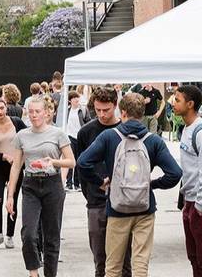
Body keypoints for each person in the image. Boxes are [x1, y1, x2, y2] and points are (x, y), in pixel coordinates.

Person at [77, 93, 182, 277]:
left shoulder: (109, 137)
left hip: (117, 209)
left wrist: (100, 182)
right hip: (145, 208)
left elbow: (83, 162)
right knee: (140, 265)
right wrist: (152, 184)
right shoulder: (154, 140)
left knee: (113, 266)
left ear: (122, 112)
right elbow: (175, 173)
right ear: (142, 113)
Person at [6, 96, 75, 277]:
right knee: (28, 234)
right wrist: (10, 195)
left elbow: (71, 161)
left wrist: (53, 161)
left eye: (38, 111)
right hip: (30, 184)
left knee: (51, 236)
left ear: (46, 112)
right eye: (31, 111)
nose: (34, 115)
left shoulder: (57, 134)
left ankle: (50, 274)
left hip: (52, 183)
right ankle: (33, 272)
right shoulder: (22, 135)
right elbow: (15, 166)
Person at [76, 86, 131, 277]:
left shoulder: (124, 130)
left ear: (115, 106)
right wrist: (94, 188)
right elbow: (81, 167)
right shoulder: (86, 132)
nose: (101, 114)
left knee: (124, 260)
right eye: (97, 110)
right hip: (96, 201)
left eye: (106, 110)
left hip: (124, 201)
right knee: (100, 259)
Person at [0, 97, 27, 250]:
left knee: (12, 199)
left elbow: (27, 138)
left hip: (16, 167)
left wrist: (21, 157)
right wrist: (3, 156)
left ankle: (9, 235)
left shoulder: (16, 122)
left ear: (6, 107)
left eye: (2, 108)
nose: (0, 112)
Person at [172, 85, 202, 276]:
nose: (173, 103)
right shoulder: (185, 128)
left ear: (190, 104)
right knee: (193, 257)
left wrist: (199, 205)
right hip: (189, 202)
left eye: (177, 100)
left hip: (198, 205)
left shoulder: (199, 132)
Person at [65, 91, 91, 191]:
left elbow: (88, 121)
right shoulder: (67, 111)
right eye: (74, 98)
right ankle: (68, 183)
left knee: (78, 159)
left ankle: (77, 183)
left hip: (79, 137)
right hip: (70, 137)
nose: (76, 99)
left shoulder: (83, 110)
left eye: (77, 97)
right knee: (70, 160)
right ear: (70, 100)